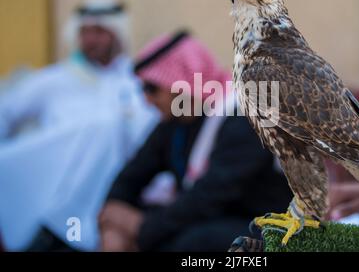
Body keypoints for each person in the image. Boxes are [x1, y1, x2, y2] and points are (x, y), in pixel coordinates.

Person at [98, 31, 293, 251]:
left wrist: (144, 228)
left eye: (151, 88)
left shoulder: (245, 118)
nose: (146, 99)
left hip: (264, 227)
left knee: (192, 242)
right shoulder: (175, 122)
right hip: (209, 220)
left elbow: (212, 195)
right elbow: (131, 176)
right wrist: (112, 220)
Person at [0, 0, 159, 251]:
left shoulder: (135, 82)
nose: (90, 40)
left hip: (118, 203)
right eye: (84, 32)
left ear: (118, 33)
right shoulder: (54, 80)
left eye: (99, 31)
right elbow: (5, 113)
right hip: (55, 212)